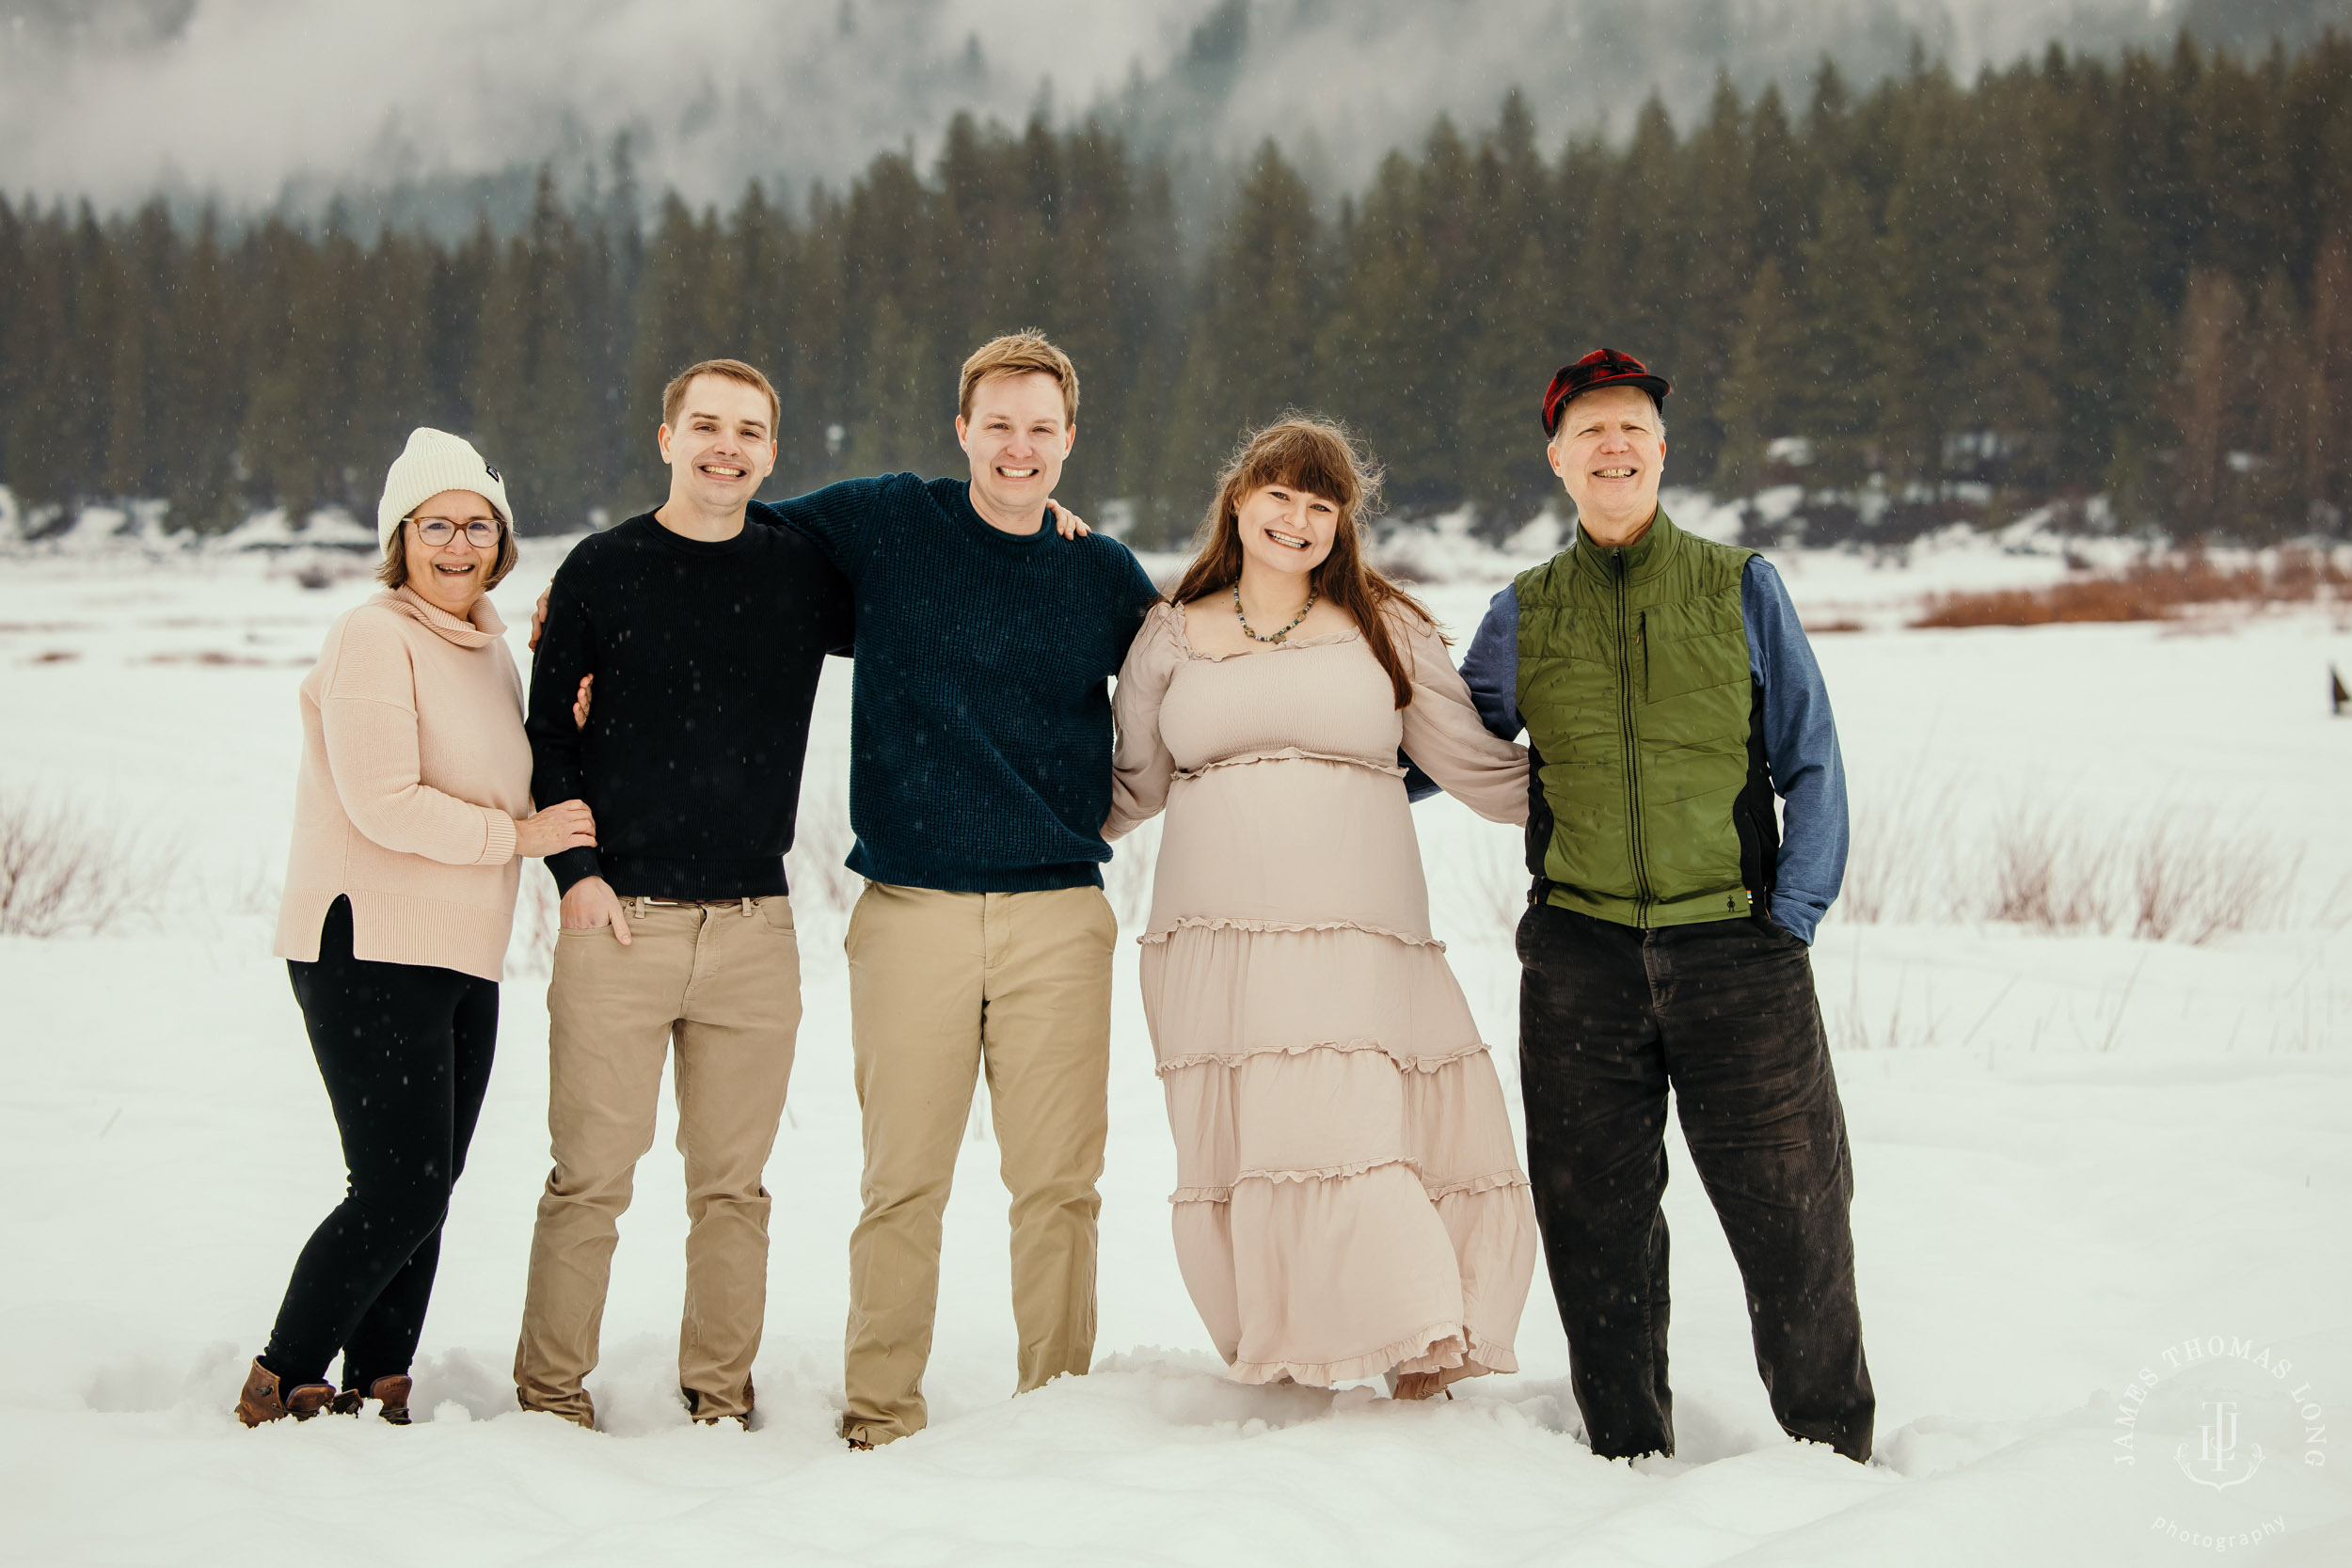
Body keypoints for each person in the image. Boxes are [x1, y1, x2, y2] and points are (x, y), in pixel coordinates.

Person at [1458, 348, 1873, 1462]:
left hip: (1737, 948)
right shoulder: (1522, 611)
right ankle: (1625, 1457)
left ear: (1662, 449)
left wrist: (1790, 918)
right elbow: (1443, 740)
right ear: (1556, 458)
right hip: (1581, 957)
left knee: (1793, 1216)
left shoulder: (1741, 585)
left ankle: (1832, 1458)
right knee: (1594, 1227)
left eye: (1632, 427)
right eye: (1590, 429)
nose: (1614, 445)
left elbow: (1812, 760)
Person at [755, 331, 1160, 1448]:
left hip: (1056, 915)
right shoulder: (892, 521)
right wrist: (589, 609)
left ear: (1070, 439)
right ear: (962, 429)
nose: (1018, 447)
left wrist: (1118, 805)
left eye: (1041, 428)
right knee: (902, 1184)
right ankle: (879, 1413)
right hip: (911, 910)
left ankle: (1058, 1408)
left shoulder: (1100, 571)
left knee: (1058, 1187)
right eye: (999, 424)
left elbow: (1191, 678)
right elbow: (738, 539)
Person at [1104, 418, 1539, 1398]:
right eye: (1279, 495)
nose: (1296, 519)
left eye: (1320, 503)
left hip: (1359, 938)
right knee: (1256, 1145)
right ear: (1238, 500)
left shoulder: (1386, 628)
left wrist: (1624, 788)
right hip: (1212, 944)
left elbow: (1472, 765)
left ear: (1342, 523)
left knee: (1355, 1131)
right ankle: (1291, 1333)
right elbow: (1128, 784)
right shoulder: (1172, 630)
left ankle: (1421, 1330)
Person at [511, 359, 855, 1430]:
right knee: (591, 1178)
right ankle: (550, 1391)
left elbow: (936, 584)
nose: (726, 446)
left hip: (755, 923)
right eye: (705, 425)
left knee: (733, 1187)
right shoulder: (601, 568)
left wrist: (1052, 517)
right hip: (621, 921)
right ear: (666, 439)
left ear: (771, 452)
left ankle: (718, 1390)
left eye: (749, 431)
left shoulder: (803, 573)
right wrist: (577, 877)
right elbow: (546, 740)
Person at [241, 429, 596, 1428]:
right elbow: (383, 800)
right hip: (366, 942)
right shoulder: (372, 633)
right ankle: (282, 1375)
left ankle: (379, 1381)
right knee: (396, 1185)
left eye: (477, 524)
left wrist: (575, 705)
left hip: (458, 948)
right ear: (401, 537)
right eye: (435, 524)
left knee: (428, 1186)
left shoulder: (487, 652)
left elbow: (504, 773)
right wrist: (521, 836)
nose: (457, 544)